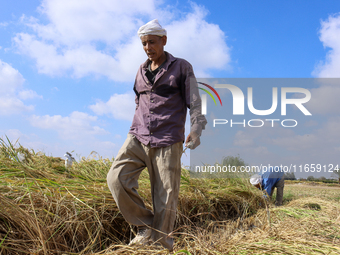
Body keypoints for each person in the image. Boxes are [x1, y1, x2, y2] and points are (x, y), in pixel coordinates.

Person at [106, 19, 207, 251]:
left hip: (167, 139)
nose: (147, 47)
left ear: (164, 40)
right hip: (138, 136)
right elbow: (138, 101)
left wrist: (195, 129)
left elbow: (194, 101)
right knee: (116, 178)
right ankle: (145, 225)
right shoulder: (140, 70)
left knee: (165, 199)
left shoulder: (182, 67)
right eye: (143, 43)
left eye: (151, 42)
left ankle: (161, 245)